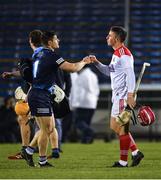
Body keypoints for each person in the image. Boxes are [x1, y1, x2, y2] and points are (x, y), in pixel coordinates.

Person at [21, 30, 91, 167]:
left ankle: (29, 151)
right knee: (46, 130)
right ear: (49, 42)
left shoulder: (37, 54)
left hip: (40, 94)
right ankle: (40, 160)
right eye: (56, 39)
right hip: (40, 95)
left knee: (50, 128)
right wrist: (84, 62)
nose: (58, 41)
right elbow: (72, 68)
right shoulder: (51, 55)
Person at [89, 26, 144, 167]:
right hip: (117, 96)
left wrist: (130, 95)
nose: (107, 37)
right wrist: (96, 63)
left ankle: (123, 161)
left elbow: (130, 75)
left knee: (121, 128)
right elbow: (109, 71)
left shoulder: (124, 54)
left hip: (123, 96)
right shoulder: (116, 54)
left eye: (109, 35)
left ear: (117, 38)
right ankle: (136, 152)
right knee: (115, 127)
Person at [72, 65, 100, 143]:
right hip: (93, 102)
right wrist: (95, 99)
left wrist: (75, 103)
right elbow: (97, 89)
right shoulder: (93, 75)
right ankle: (86, 139)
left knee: (78, 122)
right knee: (87, 122)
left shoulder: (82, 76)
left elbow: (79, 91)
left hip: (83, 102)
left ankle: (90, 132)